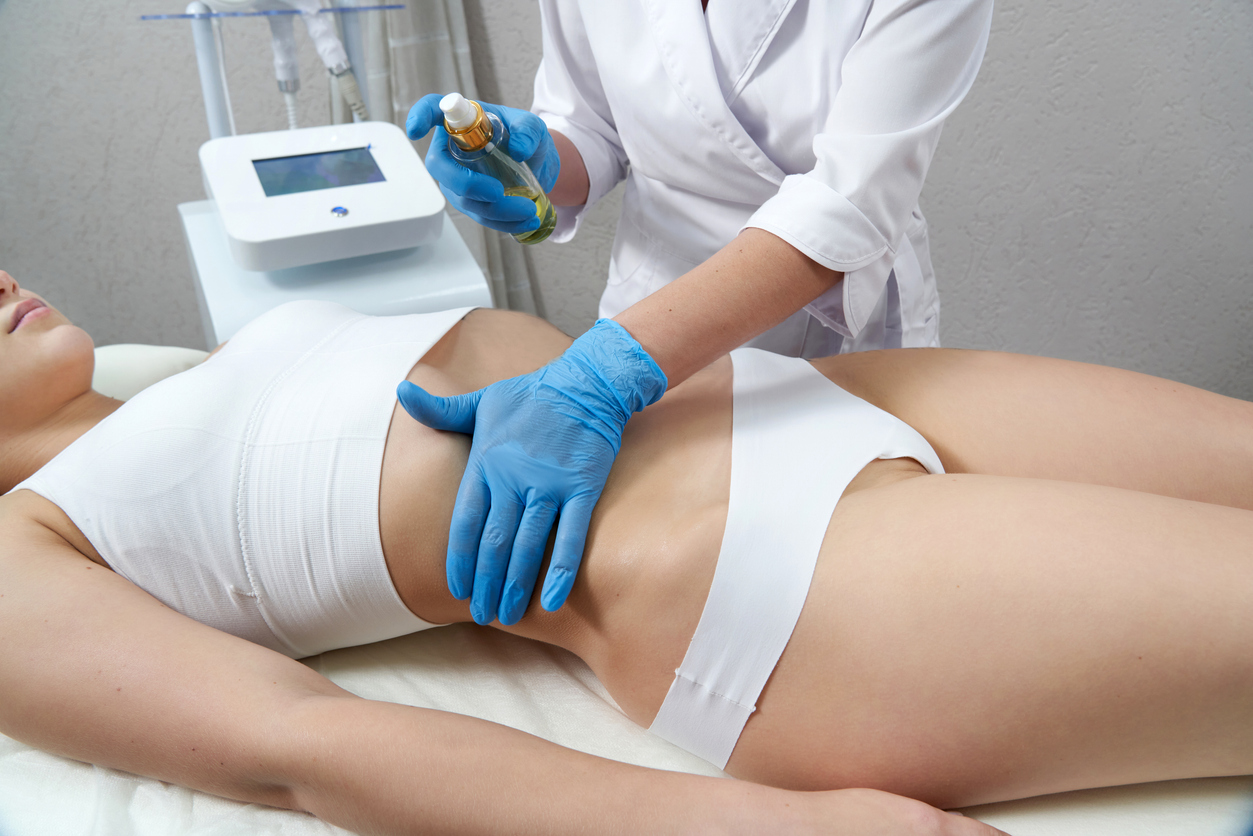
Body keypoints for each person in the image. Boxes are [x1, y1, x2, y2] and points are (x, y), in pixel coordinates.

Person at [3, 270, 1252, 833]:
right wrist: (771, 833)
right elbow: (298, 750)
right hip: (763, 568)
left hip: (792, 393)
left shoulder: (175, 378)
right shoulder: (21, 552)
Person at [402, 0, 997, 628]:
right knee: (665, 562)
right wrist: (533, 161)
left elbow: (848, 205)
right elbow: (593, 127)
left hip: (825, 317)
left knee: (841, 580)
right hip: (650, 309)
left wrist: (600, 377)